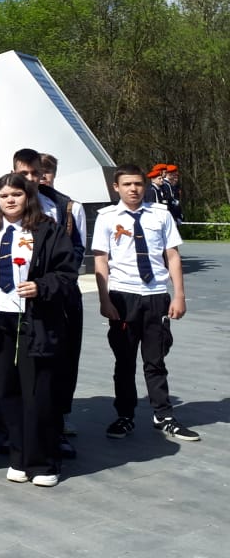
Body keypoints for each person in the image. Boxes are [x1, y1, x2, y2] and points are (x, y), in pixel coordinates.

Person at [0, 173, 78, 486]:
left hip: (34, 320)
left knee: (38, 393)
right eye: (4, 195)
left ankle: (43, 463)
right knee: (6, 391)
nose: (10, 200)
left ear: (27, 196)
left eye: (16, 194)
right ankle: (19, 457)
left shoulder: (47, 230)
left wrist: (41, 286)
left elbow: (66, 273)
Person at [93, 165, 199, 442]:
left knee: (156, 360)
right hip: (123, 297)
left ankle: (163, 415)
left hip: (155, 295)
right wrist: (104, 299)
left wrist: (179, 295)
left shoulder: (160, 215)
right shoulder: (106, 218)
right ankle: (124, 416)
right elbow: (101, 260)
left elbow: (172, 256)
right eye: (127, 184)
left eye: (138, 184)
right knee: (124, 362)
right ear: (116, 187)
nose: (133, 189)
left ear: (145, 185)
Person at [14, 149, 85, 455]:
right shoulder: (3, 203)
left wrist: (49, 281)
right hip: (16, 301)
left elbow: (76, 251)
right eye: (24, 173)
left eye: (36, 173)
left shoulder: (64, 207)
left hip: (56, 297)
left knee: (58, 366)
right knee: (16, 368)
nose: (31, 179)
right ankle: (14, 430)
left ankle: (57, 428)